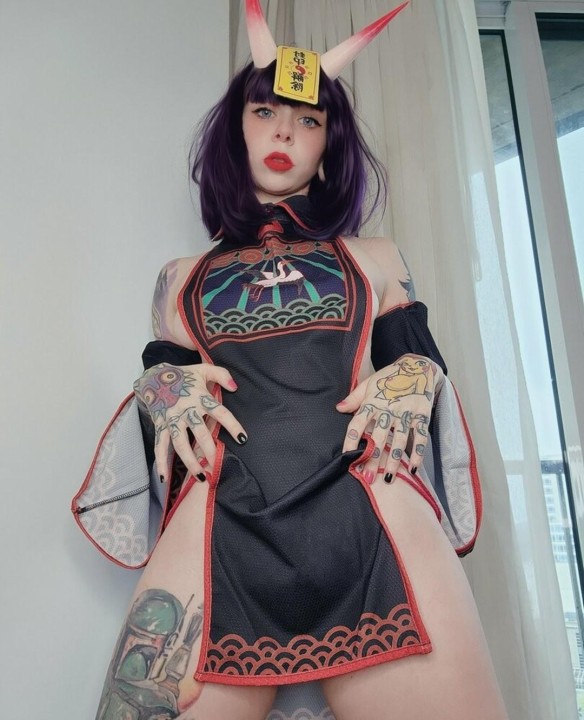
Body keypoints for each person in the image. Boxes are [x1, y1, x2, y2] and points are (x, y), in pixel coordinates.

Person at [73, 2, 509, 718]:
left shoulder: (378, 258)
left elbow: (421, 372)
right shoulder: (178, 279)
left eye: (308, 119)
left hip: (372, 518)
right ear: (234, 129)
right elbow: (166, 406)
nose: (284, 131)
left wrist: (416, 373)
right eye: (264, 110)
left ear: (330, 143)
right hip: (221, 524)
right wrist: (162, 385)